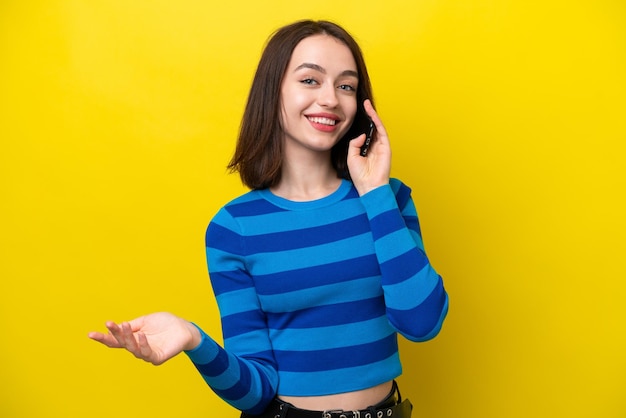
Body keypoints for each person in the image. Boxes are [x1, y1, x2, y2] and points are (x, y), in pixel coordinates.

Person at [89, 19, 449, 418]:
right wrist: (194, 340)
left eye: (346, 85)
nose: (330, 98)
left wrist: (376, 192)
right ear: (272, 90)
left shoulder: (389, 198)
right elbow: (256, 391)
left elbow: (422, 322)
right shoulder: (234, 228)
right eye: (310, 80)